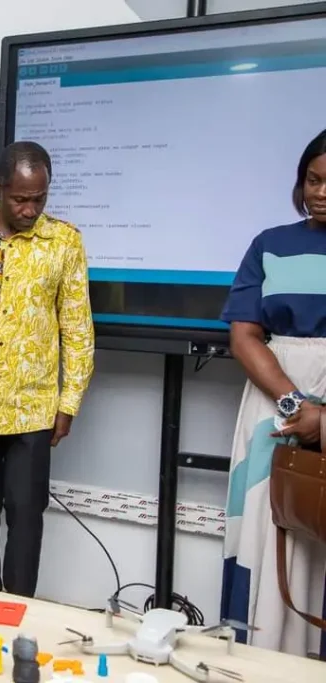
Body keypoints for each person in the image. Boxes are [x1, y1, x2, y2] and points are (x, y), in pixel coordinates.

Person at [0, 141, 94, 598]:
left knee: (26, 518)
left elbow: (78, 328)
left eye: (39, 199)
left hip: (33, 408)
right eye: (20, 198)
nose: (30, 209)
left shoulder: (64, 241)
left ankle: (22, 610)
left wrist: (68, 403)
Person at [220, 128, 326, 657]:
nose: (321, 191)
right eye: (313, 179)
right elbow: (244, 334)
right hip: (271, 408)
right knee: (266, 535)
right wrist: (295, 406)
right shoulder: (269, 244)